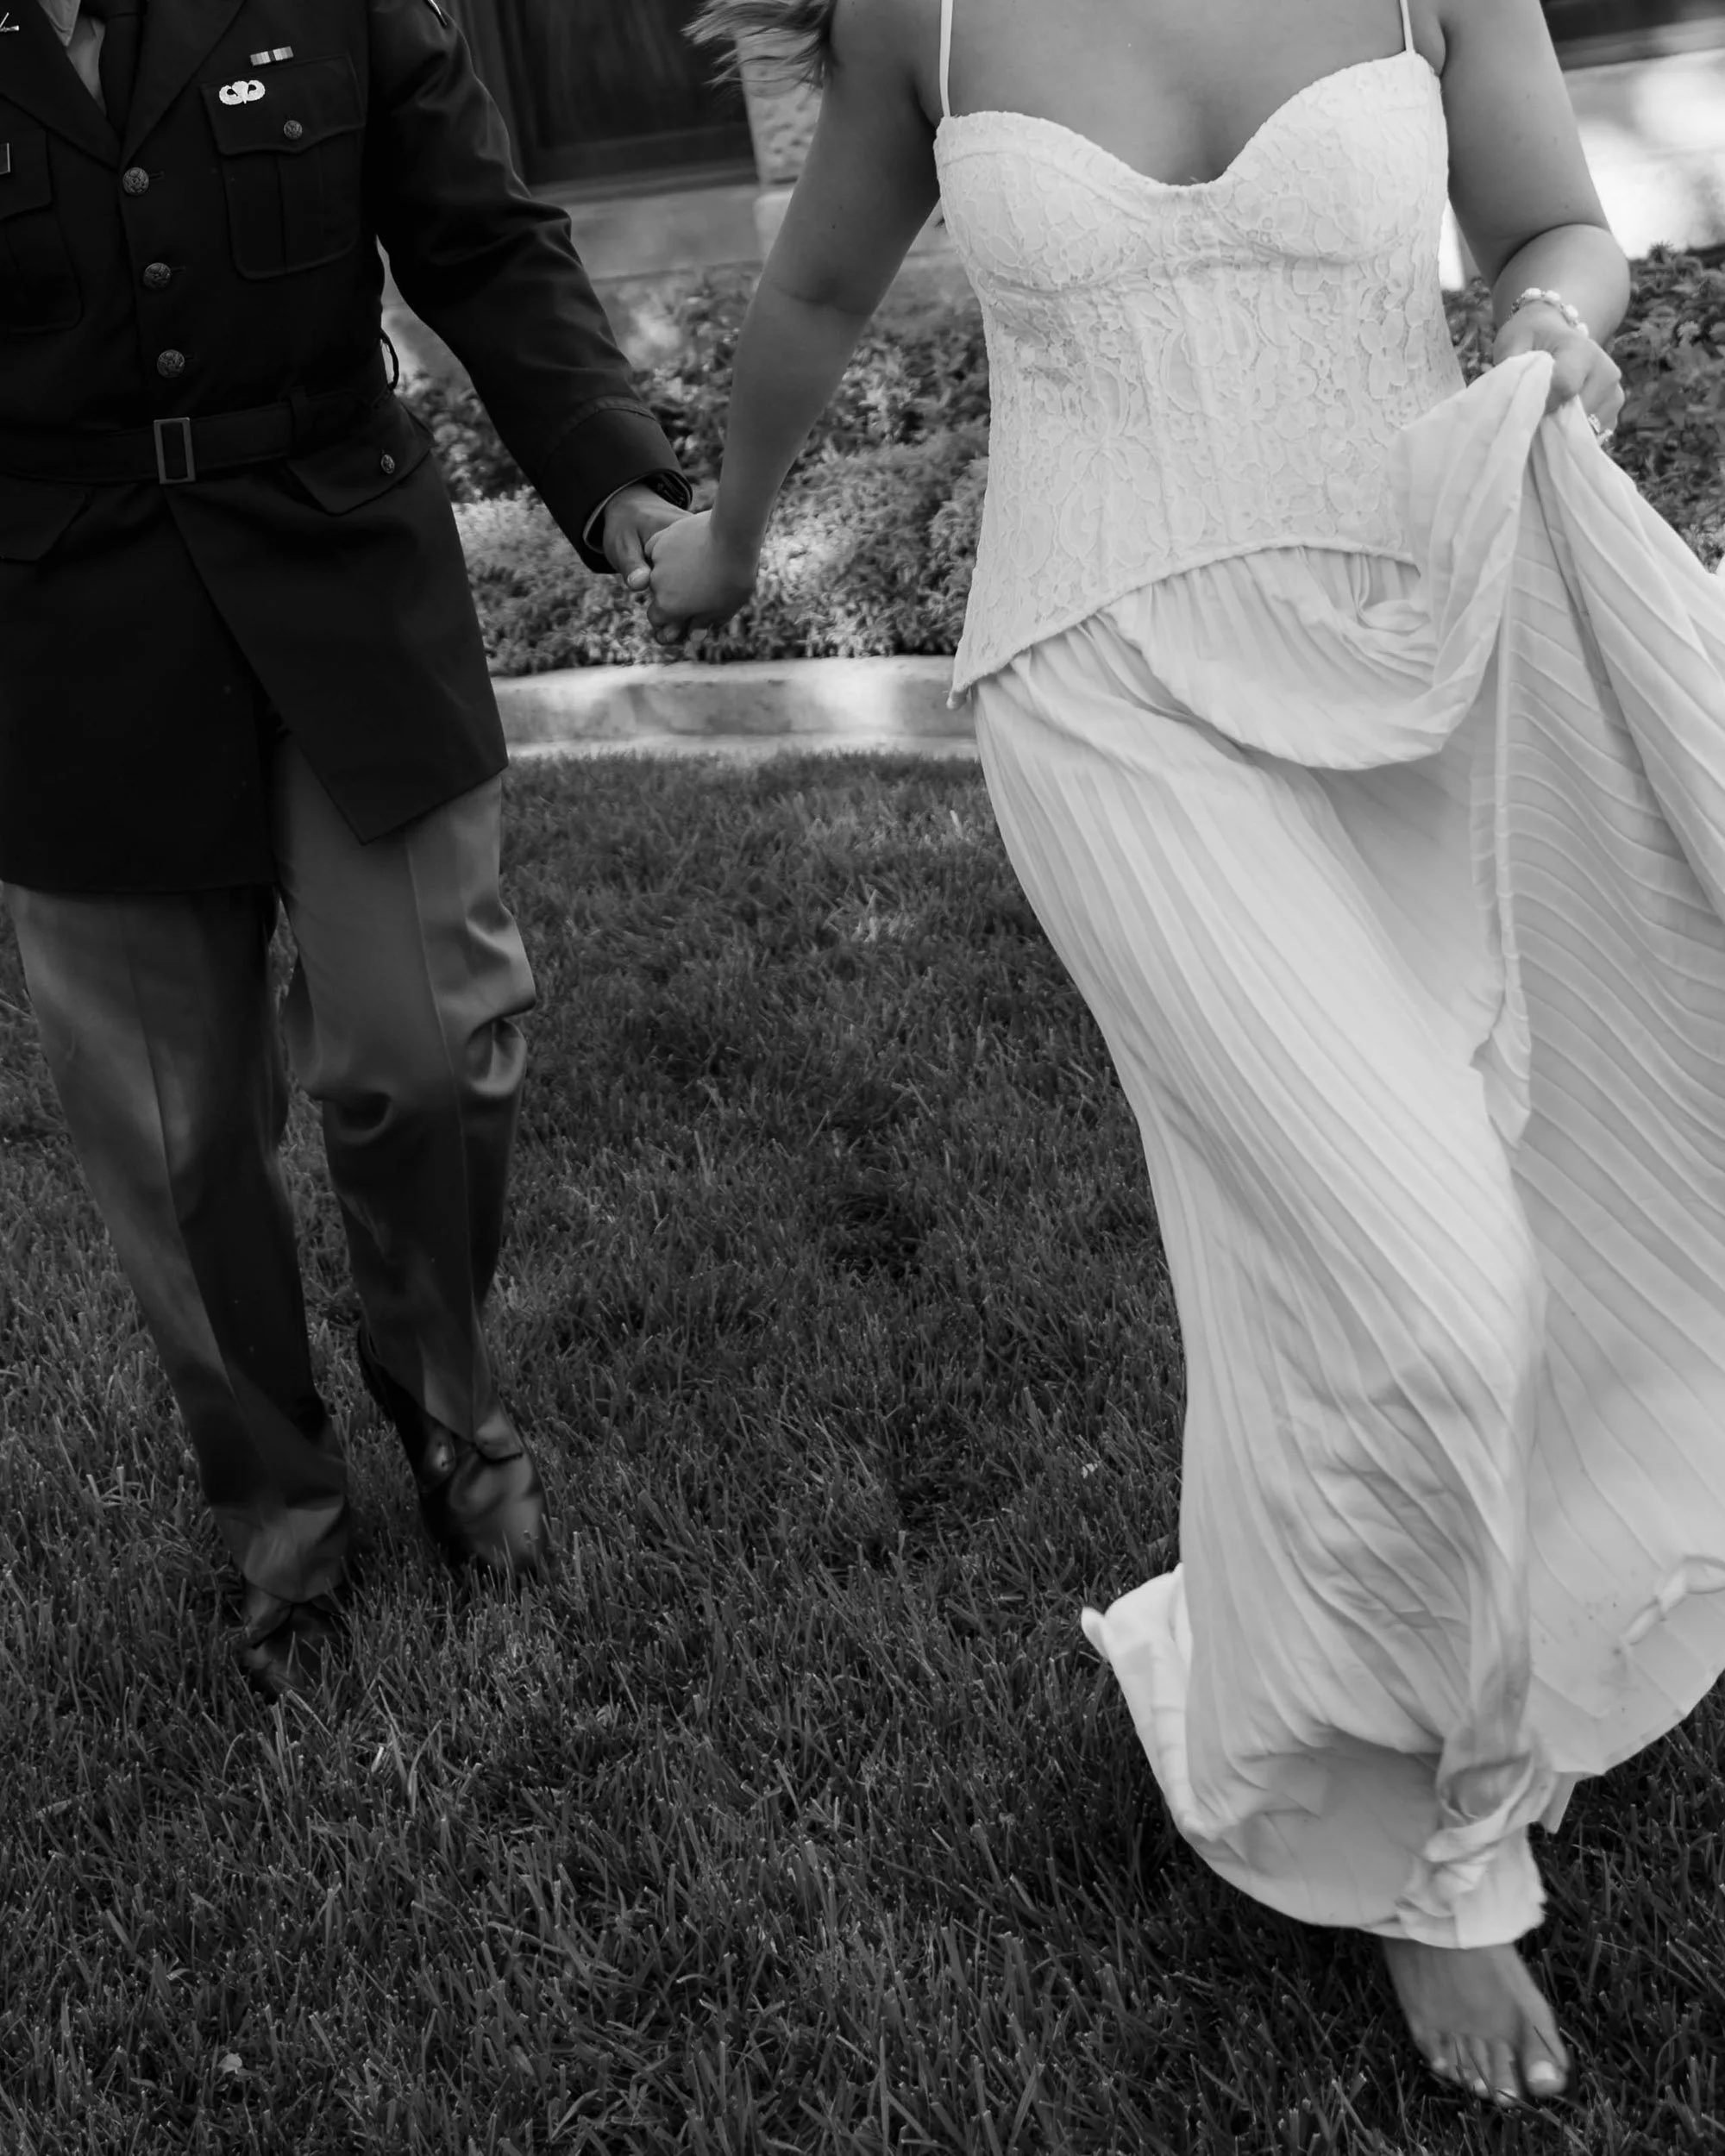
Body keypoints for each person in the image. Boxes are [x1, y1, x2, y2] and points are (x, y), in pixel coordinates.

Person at [644, 0, 1725, 2111]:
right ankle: (1431, 1855)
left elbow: (1553, 229)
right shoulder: (923, 18)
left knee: (1439, 1230)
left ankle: (1299, 1654)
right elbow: (816, 294)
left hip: (1421, 630)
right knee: (1425, 1281)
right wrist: (728, 535)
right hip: (1110, 690)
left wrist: (1547, 324)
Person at [0, 0, 691, 1699]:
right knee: (171, 1139)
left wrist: (615, 476)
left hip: (341, 569)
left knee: (428, 1048)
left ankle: (440, 1393)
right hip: (66, 626)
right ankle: (283, 1517)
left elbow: (479, 235)